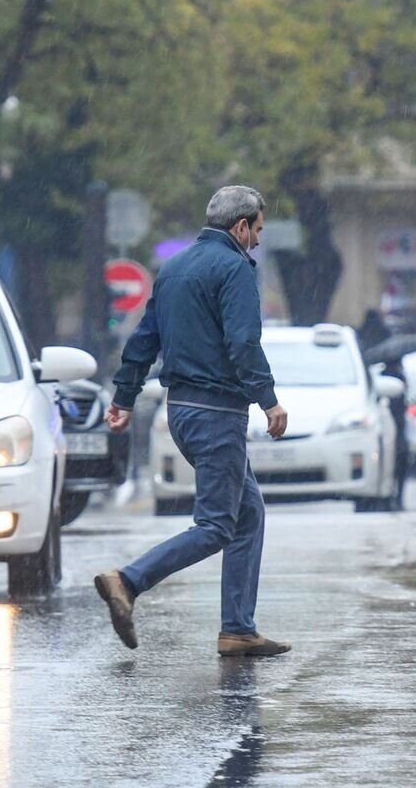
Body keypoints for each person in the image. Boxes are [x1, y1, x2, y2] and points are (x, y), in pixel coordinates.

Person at [97, 186, 292, 657]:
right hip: (217, 414)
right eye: (258, 231)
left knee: (248, 514)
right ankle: (127, 580)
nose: (259, 242)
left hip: (181, 411)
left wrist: (123, 396)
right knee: (216, 526)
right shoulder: (236, 269)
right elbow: (243, 342)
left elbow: (144, 338)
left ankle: (238, 629)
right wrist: (269, 401)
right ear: (240, 226)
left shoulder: (175, 267)